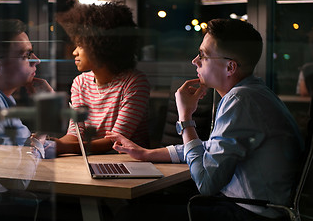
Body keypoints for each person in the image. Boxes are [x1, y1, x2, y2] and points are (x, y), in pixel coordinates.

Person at [106, 18, 304, 220]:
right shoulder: (254, 93)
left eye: (203, 55)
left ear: (230, 67)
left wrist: (185, 118)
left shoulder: (240, 100)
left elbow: (206, 183)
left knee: (130, 214)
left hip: (247, 213)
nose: (195, 61)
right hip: (253, 208)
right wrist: (147, 154)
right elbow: (211, 148)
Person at [54, 0, 150, 155]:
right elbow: (75, 134)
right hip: (91, 159)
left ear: (100, 46)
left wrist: (64, 147)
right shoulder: (80, 83)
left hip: (130, 163)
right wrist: (52, 143)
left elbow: (116, 141)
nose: (74, 52)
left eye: (81, 45)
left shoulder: (134, 83)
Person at [0, 19, 54, 147]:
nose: (37, 60)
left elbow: (23, 148)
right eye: (26, 55)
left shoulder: (2, 98)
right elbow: (15, 161)